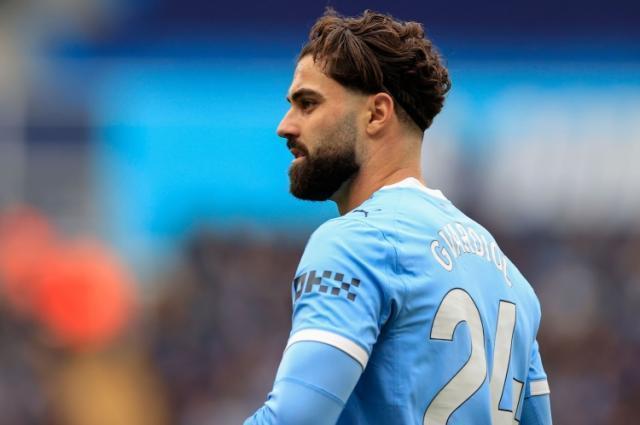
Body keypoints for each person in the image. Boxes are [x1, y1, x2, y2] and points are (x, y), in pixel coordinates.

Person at [245, 8, 551, 425]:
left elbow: (294, 420)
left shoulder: (357, 242)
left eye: (308, 103)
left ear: (376, 113)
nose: (285, 126)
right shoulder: (513, 283)